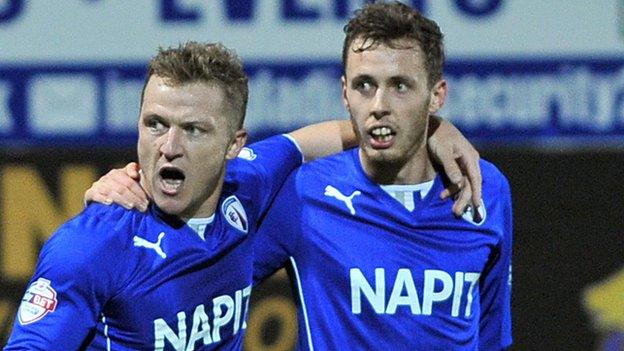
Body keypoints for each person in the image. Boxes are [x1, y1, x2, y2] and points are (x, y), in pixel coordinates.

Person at [5, 39, 480, 350]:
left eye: (193, 130)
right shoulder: (91, 245)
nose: (168, 147)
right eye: (155, 124)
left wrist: (434, 130)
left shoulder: (248, 188)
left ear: (234, 145)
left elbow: (312, 140)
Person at [253, 2, 513, 349]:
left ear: (436, 95)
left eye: (400, 86)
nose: (379, 105)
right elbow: (209, 277)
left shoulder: (484, 188)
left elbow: (491, 336)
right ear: (344, 93)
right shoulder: (305, 194)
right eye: (364, 85)